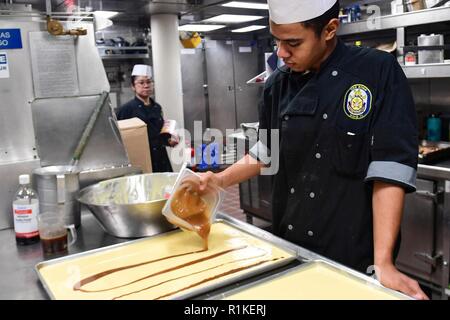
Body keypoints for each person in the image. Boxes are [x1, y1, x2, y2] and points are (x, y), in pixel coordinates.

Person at [198, 0, 428, 299]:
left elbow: (390, 168)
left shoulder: (376, 72)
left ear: (330, 29)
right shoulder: (277, 84)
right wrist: (220, 180)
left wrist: (383, 262)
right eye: (277, 40)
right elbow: (266, 150)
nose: (281, 53)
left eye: (293, 42)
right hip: (290, 243)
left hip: (351, 251)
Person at [116, 64, 178, 172]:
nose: (146, 85)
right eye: (141, 82)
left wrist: (170, 140)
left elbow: (160, 134)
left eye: (149, 82)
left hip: (161, 159)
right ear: (133, 86)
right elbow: (119, 139)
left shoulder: (157, 107)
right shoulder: (126, 110)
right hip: (141, 161)